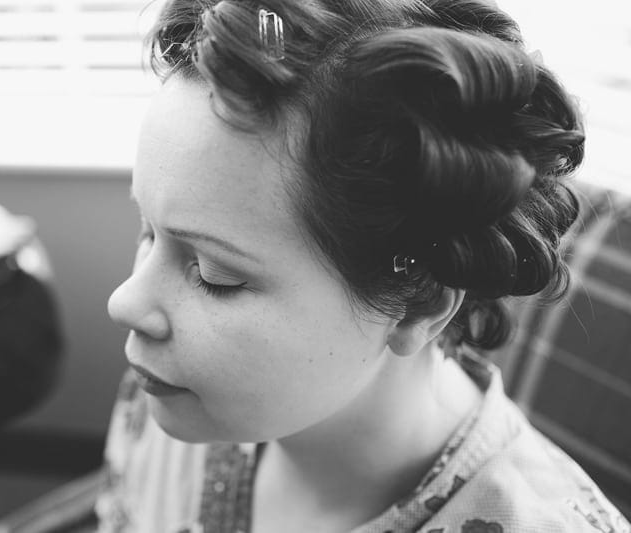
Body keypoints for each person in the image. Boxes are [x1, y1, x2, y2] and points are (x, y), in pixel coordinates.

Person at [101, 1, 630, 531]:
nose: (125, 302)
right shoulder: (171, 389)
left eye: (215, 276)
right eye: (149, 233)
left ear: (416, 307)